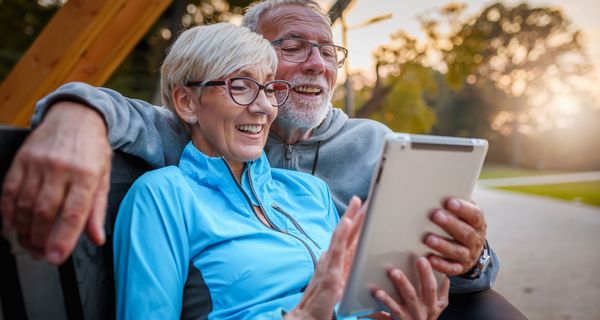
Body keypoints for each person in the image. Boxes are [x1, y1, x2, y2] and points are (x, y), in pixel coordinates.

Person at [1, 0, 496, 295]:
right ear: (249, 58)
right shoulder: (203, 130)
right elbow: (133, 113)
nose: (316, 65)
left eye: (327, 52)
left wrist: (472, 258)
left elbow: (464, 274)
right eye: (294, 47)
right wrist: (75, 113)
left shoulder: (378, 146)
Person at [112, 21, 449, 319]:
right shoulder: (162, 196)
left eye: (270, 88)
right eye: (240, 86)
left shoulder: (308, 191)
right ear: (187, 102)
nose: (262, 107)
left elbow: (346, 308)